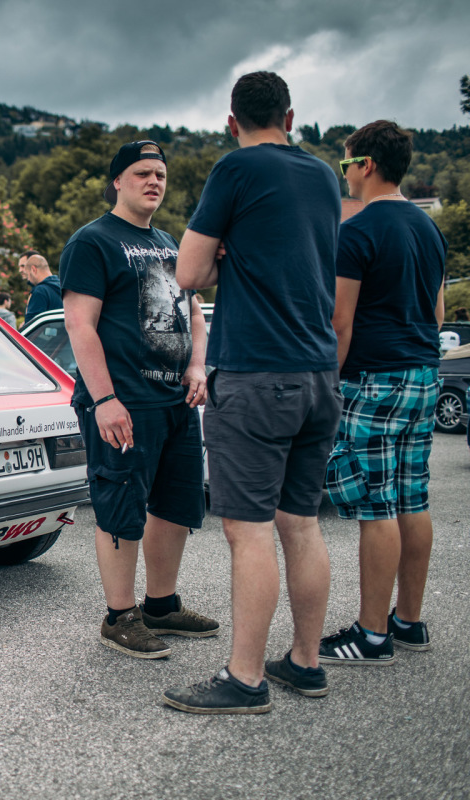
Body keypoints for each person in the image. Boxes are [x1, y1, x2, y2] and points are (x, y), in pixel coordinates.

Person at [167, 71, 342, 714]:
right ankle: (306, 661)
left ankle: (244, 680)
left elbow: (188, 272)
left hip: (257, 374)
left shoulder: (235, 170)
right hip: (319, 375)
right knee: (301, 524)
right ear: (291, 118)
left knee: (250, 532)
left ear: (231, 122)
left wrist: (224, 257)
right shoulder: (324, 176)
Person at [61, 141, 216, 662]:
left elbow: (192, 312)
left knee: (174, 508)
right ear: (117, 182)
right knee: (121, 507)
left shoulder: (171, 242)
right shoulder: (93, 242)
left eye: (160, 175)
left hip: (174, 399)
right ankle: (119, 615)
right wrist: (104, 398)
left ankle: (160, 605)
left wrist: (197, 365)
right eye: (142, 173)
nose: (154, 181)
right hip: (124, 403)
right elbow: (79, 325)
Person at [319, 120, 447, 665]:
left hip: (373, 377)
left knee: (377, 505)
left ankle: (371, 635)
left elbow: (340, 321)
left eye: (346, 163)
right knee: (411, 497)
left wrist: (328, 386)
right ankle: (408, 620)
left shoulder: (359, 230)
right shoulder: (428, 228)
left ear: (366, 164)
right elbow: (438, 313)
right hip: (422, 371)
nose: (345, 173)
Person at [23, 253, 61, 320]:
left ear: (33, 269)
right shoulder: (63, 287)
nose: (28, 279)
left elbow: (32, 324)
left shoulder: (40, 291)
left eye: (27, 274)